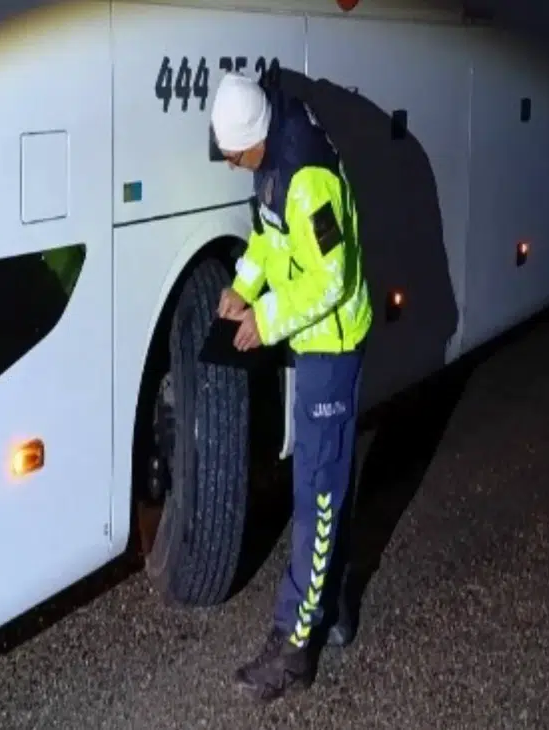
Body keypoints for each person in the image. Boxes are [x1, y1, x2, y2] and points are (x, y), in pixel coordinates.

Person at [209, 71, 372, 702]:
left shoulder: (308, 177)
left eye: (234, 155)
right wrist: (243, 286)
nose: (231, 165)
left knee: (316, 499)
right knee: (324, 488)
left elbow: (332, 279)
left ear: (255, 139)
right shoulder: (273, 157)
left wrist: (267, 319)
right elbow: (270, 240)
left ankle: (294, 648)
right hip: (314, 341)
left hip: (332, 346)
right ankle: (334, 608)